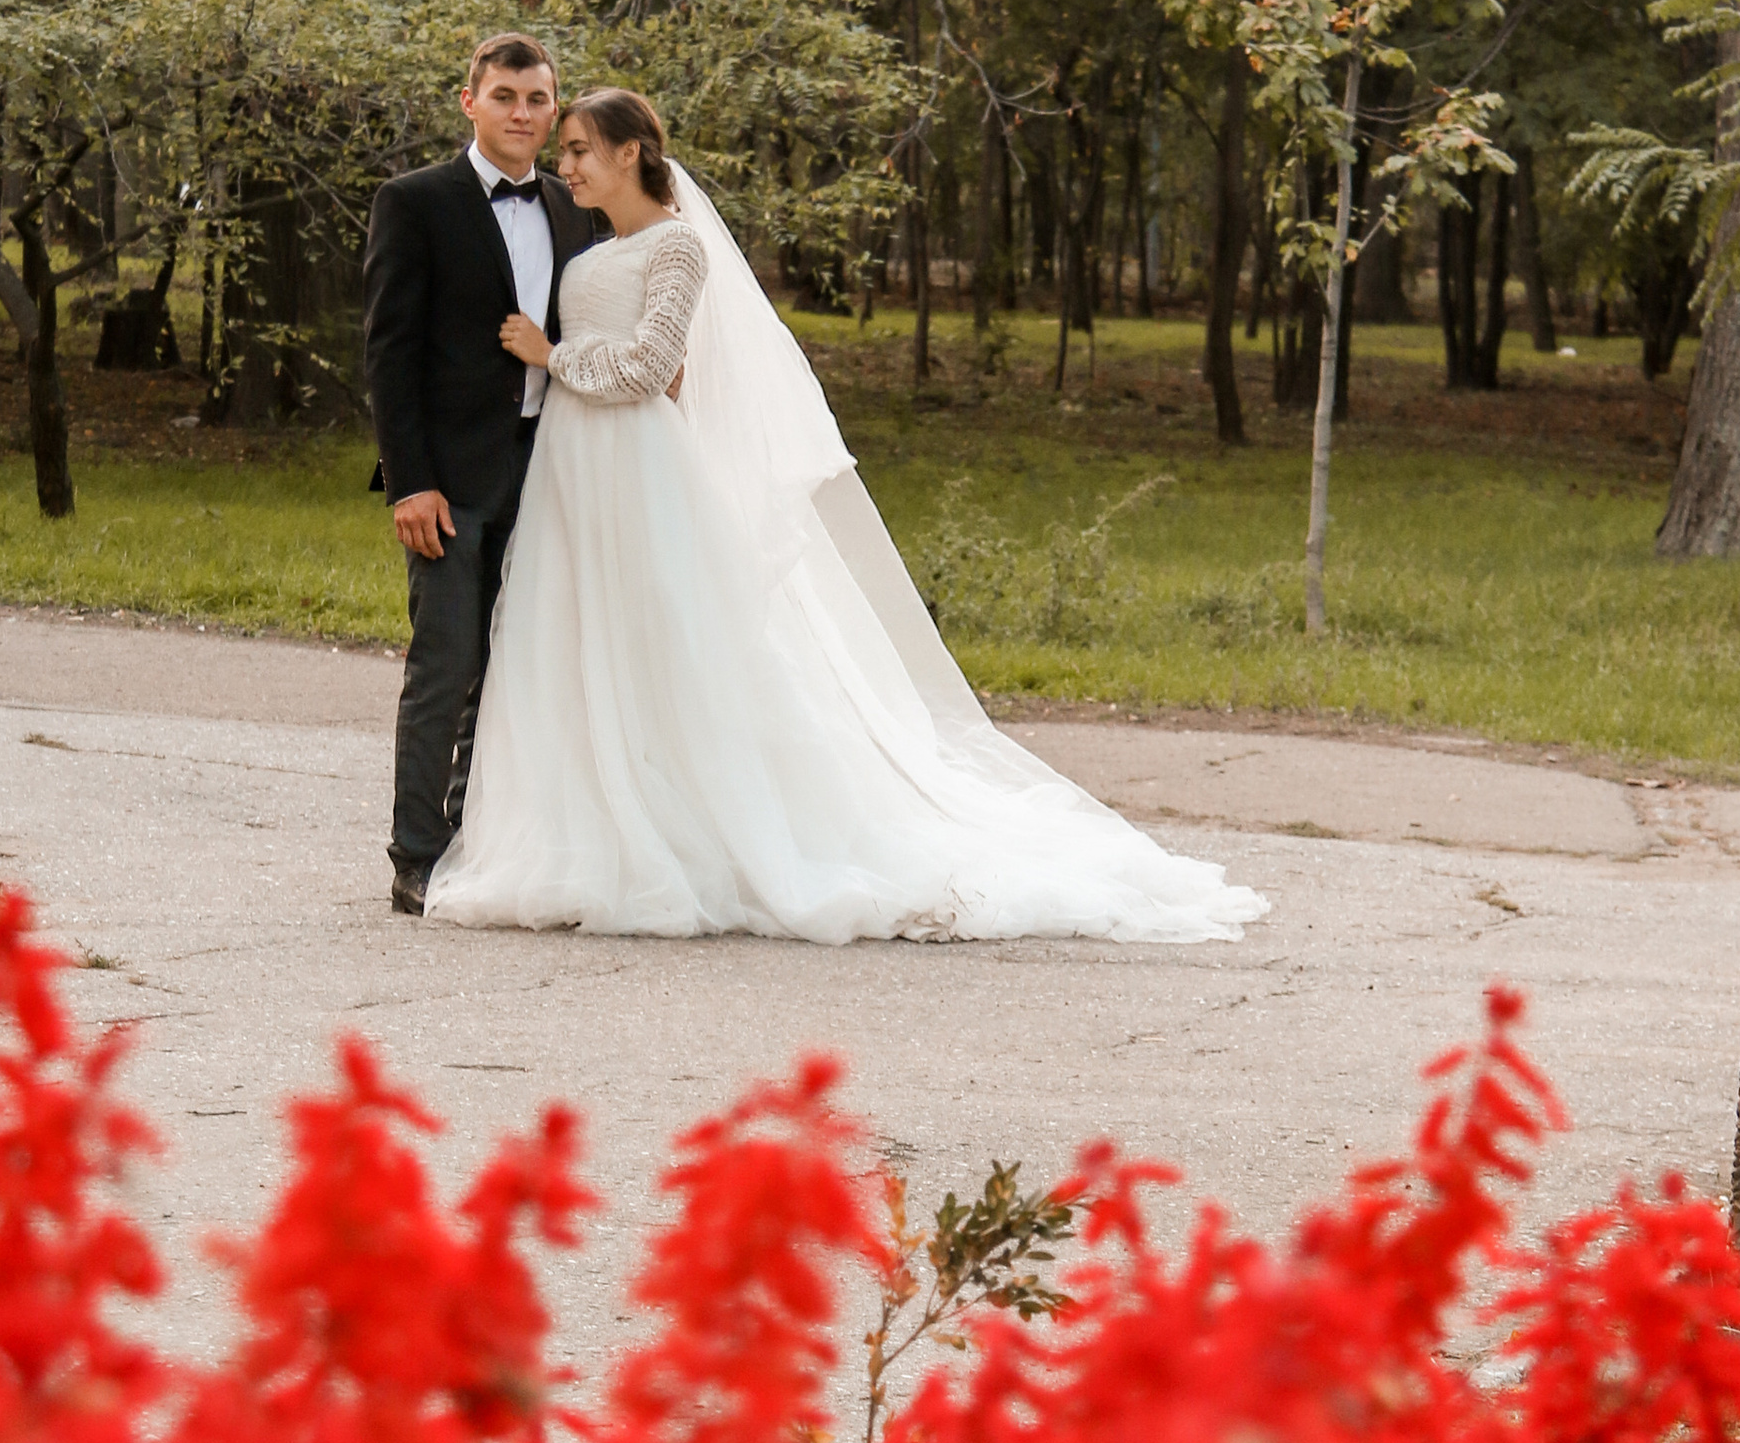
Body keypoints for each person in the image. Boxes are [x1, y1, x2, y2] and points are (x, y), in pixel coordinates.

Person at [420, 86, 1265, 947]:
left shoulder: (677, 245)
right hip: (574, 470)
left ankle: (685, 837)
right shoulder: (599, 245)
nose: (564, 166)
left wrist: (553, 354)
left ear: (629, 152)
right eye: (564, 151)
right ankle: (587, 832)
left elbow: (649, 368)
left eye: (578, 150)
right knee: (577, 643)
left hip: (635, 468)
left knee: (662, 645)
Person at [362, 33, 607, 914]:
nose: (522, 114)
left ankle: (475, 841)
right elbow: (389, 354)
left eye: (538, 99)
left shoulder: (573, 205)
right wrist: (409, 481)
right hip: (450, 478)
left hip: (551, 469)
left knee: (515, 666)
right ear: (470, 102)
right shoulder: (415, 201)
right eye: (505, 96)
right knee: (447, 661)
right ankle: (416, 856)